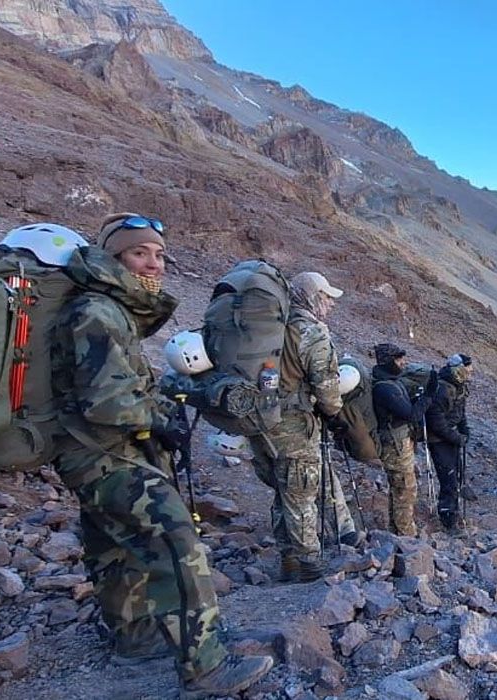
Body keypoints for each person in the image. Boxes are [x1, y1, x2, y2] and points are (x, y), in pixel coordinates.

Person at [52, 213, 271, 697]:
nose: (154, 264)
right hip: (105, 454)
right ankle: (207, 666)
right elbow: (106, 400)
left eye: (158, 254)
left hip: (80, 453)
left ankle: (135, 637)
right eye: (139, 253)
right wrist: (157, 420)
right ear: (114, 258)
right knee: (177, 543)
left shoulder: (99, 307)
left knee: (110, 543)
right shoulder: (98, 312)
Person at [248, 270, 355, 582]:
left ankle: (289, 561)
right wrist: (334, 413)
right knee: (302, 493)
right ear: (311, 297)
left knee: (283, 492)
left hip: (261, 421)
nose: (330, 305)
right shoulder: (310, 332)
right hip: (293, 425)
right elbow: (327, 390)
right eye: (326, 298)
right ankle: (310, 566)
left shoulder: (271, 327)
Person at [371, 343, 433, 537]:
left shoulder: (390, 382)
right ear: (389, 361)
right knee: (405, 489)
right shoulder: (385, 388)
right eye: (398, 359)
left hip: (398, 442)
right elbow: (410, 414)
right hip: (395, 445)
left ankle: (397, 529)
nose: (402, 363)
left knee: (400, 488)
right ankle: (406, 536)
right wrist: (429, 395)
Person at [426, 353, 472, 531]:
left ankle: (453, 512)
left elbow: (460, 412)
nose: (471, 370)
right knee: (449, 479)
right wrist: (457, 437)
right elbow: (435, 422)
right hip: (439, 440)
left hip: (450, 438)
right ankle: (448, 520)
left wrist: (464, 429)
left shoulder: (458, 386)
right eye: (468, 367)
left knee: (456, 475)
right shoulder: (443, 389)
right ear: (459, 369)